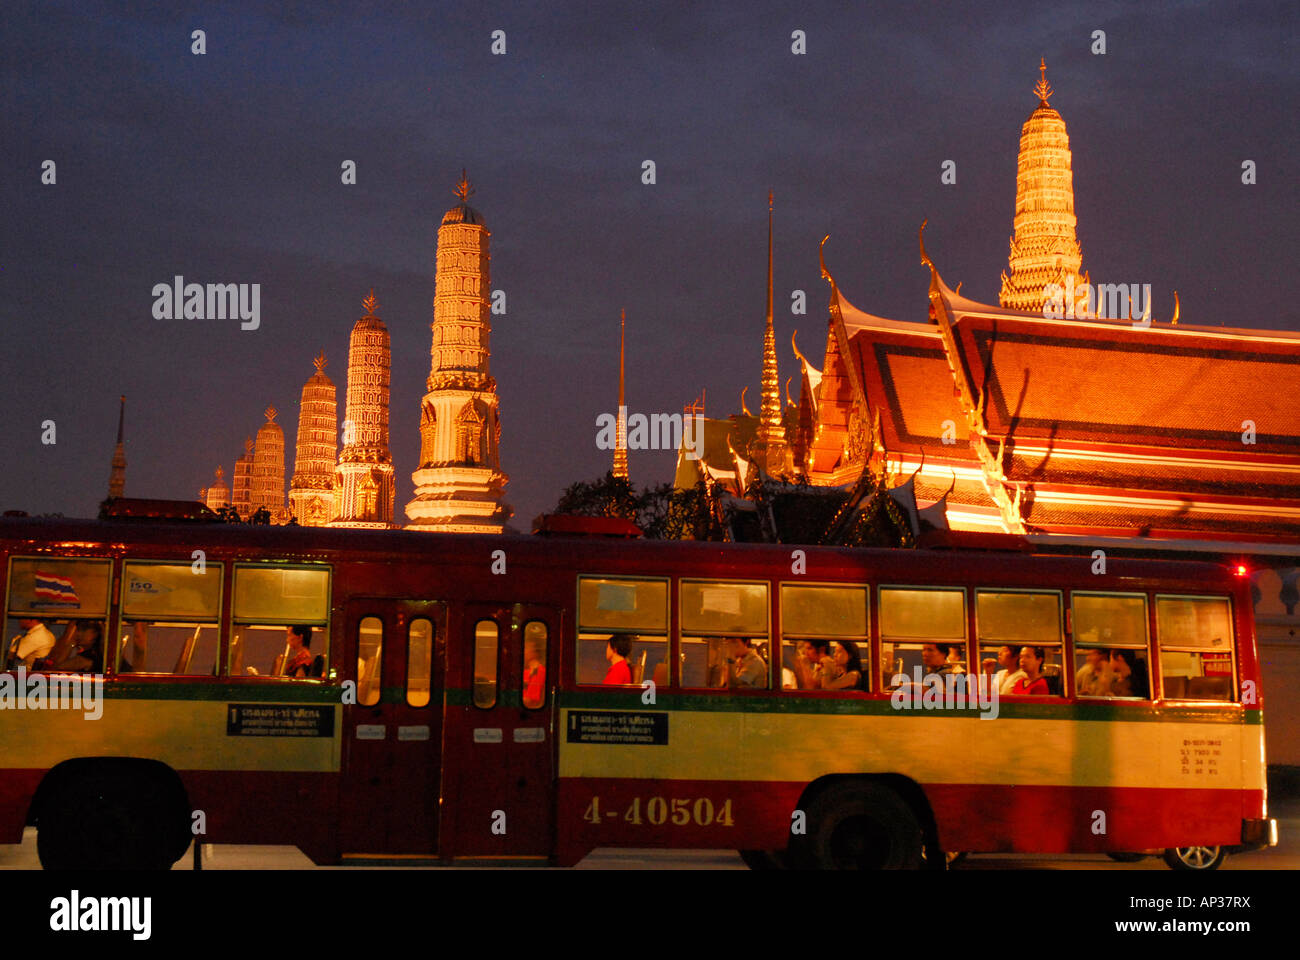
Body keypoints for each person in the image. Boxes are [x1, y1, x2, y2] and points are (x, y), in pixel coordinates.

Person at [523, 639, 545, 707]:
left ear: (535, 653)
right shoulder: (527, 671)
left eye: (527, 649)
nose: (524, 652)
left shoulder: (538, 671)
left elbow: (530, 700)